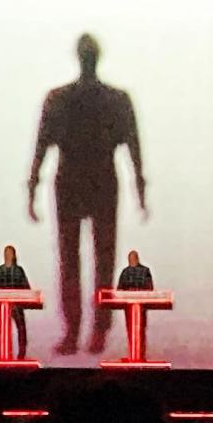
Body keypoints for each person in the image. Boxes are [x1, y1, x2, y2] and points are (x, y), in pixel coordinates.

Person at [28, 34, 147, 357]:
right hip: (99, 178)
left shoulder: (59, 98)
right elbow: (133, 147)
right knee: (100, 259)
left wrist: (33, 186)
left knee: (74, 259)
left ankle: (79, 331)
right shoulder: (116, 99)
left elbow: (42, 147)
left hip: (73, 178)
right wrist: (139, 188)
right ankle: (93, 331)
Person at [0, 244, 30, 358]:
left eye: (9, 253)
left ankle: (21, 354)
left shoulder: (19, 271)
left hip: (17, 305)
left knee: (21, 329)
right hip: (3, 307)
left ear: (13, 255)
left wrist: (20, 296)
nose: (7, 255)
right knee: (4, 331)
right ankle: (6, 355)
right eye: (6, 253)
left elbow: (26, 288)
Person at [115, 250, 154, 355]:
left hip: (141, 305)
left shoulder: (145, 271)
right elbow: (119, 289)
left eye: (132, 258)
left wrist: (140, 293)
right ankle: (133, 351)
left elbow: (150, 288)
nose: (131, 261)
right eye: (129, 259)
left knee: (140, 328)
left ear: (137, 259)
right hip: (128, 305)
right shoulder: (125, 272)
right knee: (130, 328)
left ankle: (141, 352)